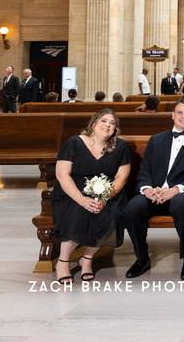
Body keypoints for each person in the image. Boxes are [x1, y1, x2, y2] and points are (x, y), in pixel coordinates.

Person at [123, 98, 184, 280]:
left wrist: (176, 190)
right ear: (172, 116)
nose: (183, 116)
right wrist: (147, 190)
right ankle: (142, 258)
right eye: (179, 112)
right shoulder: (157, 140)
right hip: (156, 193)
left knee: (180, 204)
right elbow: (145, 171)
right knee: (133, 207)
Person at [51, 109, 132, 284]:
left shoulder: (121, 147)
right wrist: (82, 200)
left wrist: (104, 198)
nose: (108, 126)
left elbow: (121, 177)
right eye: (104, 121)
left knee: (112, 214)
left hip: (106, 194)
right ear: (94, 124)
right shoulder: (74, 143)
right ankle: (63, 261)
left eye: (112, 124)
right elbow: (62, 175)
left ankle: (87, 259)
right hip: (73, 193)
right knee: (80, 212)